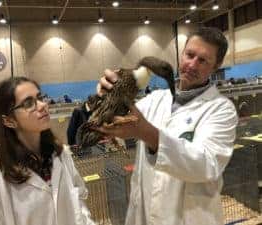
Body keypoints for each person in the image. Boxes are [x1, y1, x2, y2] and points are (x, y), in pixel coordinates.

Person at [96, 27, 238, 225]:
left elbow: (208, 164)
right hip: (144, 214)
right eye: (189, 55)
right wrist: (107, 95)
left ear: (217, 66)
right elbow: (116, 118)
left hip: (188, 218)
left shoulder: (222, 110)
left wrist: (148, 133)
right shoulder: (155, 99)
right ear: (182, 53)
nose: (192, 64)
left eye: (203, 60)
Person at [0, 77, 95, 225]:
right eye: (29, 103)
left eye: (40, 97)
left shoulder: (60, 155)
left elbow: (79, 201)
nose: (43, 105)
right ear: (8, 121)